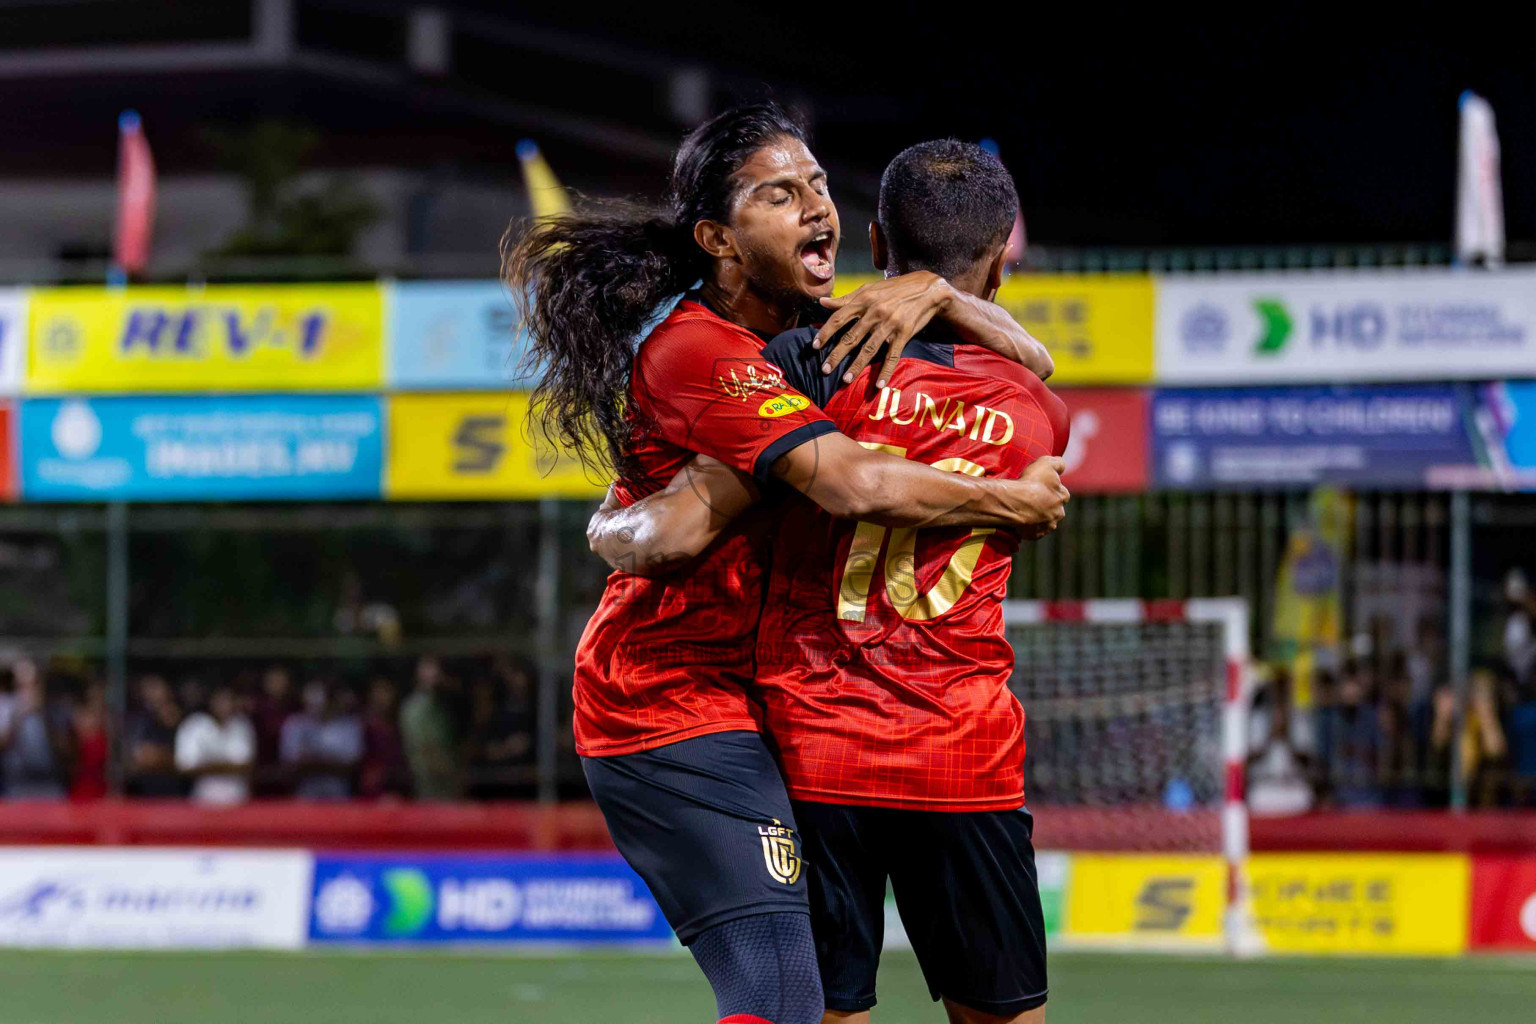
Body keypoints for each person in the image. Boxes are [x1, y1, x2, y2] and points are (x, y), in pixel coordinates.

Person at [506, 104, 1066, 1024]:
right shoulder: (711, 352)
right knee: (779, 990)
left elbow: (1032, 358)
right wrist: (1013, 501)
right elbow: (768, 506)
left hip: (771, 704)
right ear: (719, 238)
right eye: (780, 193)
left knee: (803, 999)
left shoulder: (819, 336)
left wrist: (942, 295)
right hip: (672, 700)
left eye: (817, 185)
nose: (817, 207)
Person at [280, 679, 364, 800]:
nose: (317, 706)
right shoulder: (295, 724)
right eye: (312, 702)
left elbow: (351, 764)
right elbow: (291, 762)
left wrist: (313, 761)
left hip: (340, 795)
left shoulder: (350, 725)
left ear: (331, 699)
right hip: (305, 795)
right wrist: (331, 761)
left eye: (322, 700)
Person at [174, 683, 256, 805]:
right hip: (203, 800)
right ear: (211, 701)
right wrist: (228, 766)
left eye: (230, 699)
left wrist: (207, 765)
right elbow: (186, 766)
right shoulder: (194, 725)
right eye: (221, 700)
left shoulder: (242, 725)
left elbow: (246, 764)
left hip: (238, 800)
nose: (226, 704)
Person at [0, 659, 67, 800]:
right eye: (21, 686)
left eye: (32, 685)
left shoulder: (53, 711)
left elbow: (64, 750)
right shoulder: (6, 708)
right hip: (17, 786)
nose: (27, 691)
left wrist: (43, 715)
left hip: (50, 786)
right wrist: (18, 718)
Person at [400, 656, 462, 800]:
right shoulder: (414, 708)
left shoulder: (439, 705)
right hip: (430, 783)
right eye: (428, 668)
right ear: (418, 674)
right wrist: (452, 775)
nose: (435, 674)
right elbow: (425, 748)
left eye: (437, 669)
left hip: (446, 782)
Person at [126, 674, 185, 797]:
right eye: (147, 689)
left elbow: (186, 757)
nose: (151, 693)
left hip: (176, 791)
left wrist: (160, 756)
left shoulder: (182, 719)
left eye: (155, 687)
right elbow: (139, 756)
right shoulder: (143, 720)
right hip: (149, 792)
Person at [69, 679, 110, 801]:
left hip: (101, 786)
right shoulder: (78, 717)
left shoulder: (109, 721)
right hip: (81, 784)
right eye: (93, 695)